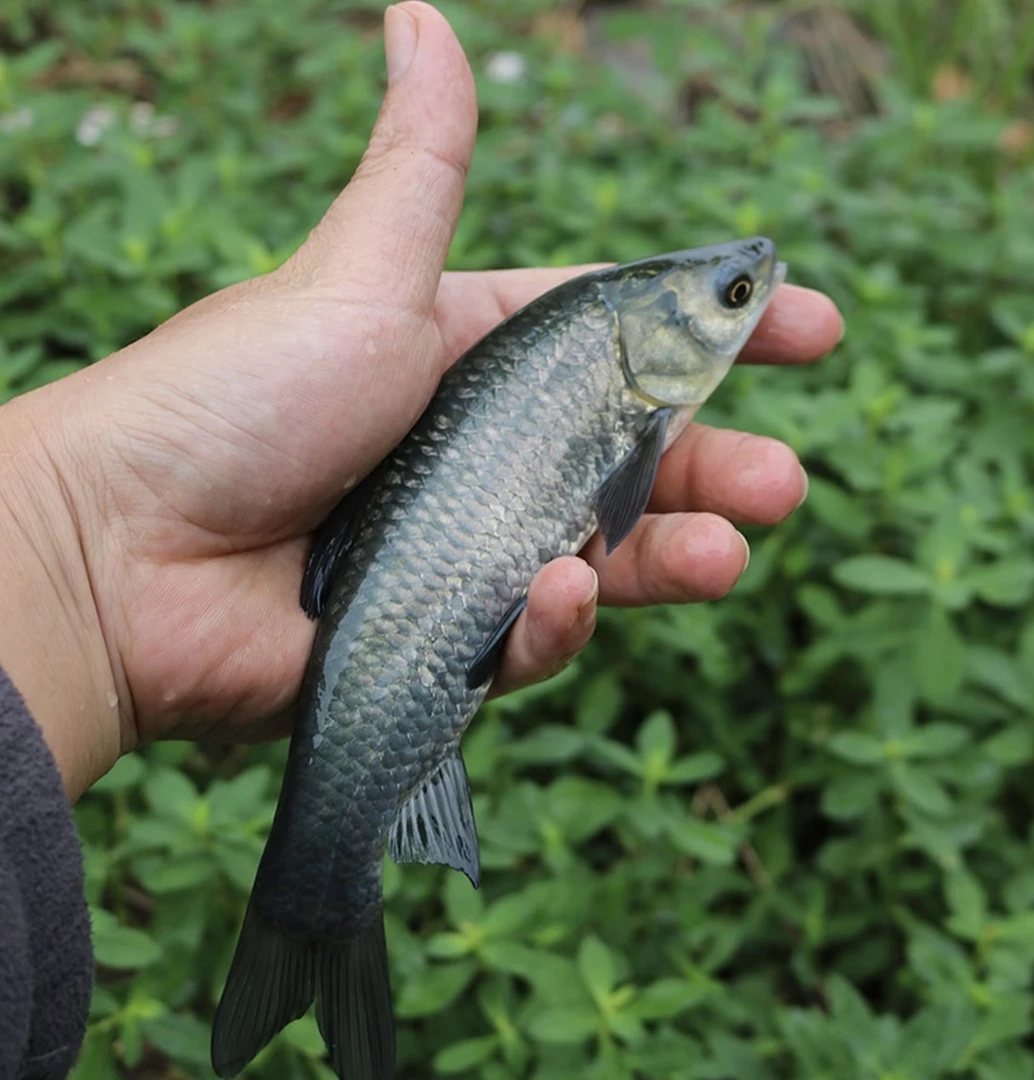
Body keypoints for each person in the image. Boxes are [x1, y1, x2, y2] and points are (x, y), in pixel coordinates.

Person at [0, 3, 843, 1077]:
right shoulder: (609, 357)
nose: (747, 291)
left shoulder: (618, 358)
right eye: (734, 296)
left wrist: (75, 556)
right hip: (399, 595)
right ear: (663, 341)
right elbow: (617, 507)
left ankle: (319, 905)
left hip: (385, 596)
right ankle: (318, 902)